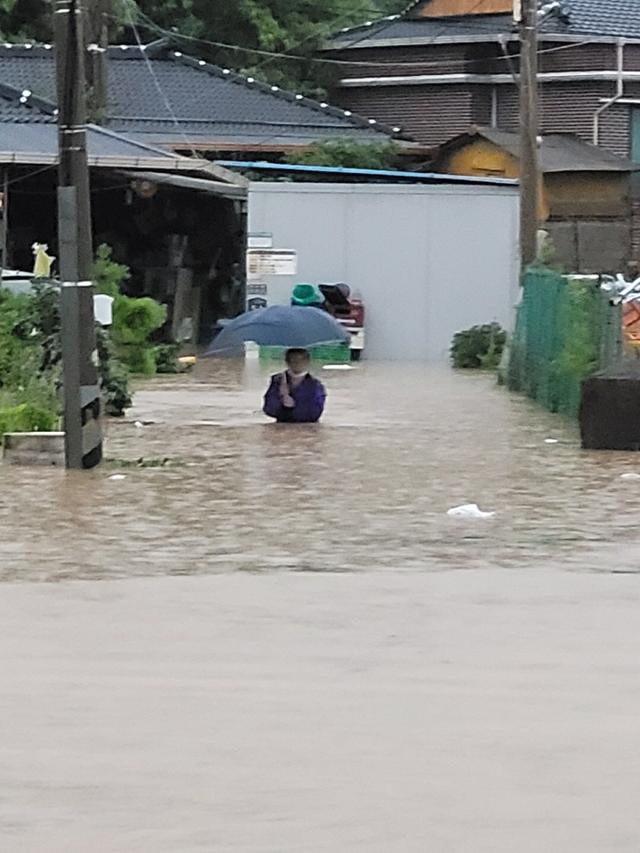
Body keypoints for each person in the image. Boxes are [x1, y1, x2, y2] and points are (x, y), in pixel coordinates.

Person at [263, 348, 326, 423]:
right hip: (281, 427)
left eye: (301, 360)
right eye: (293, 360)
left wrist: (293, 406)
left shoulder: (315, 385)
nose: (297, 363)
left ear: (307, 362)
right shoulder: (277, 381)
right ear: (287, 362)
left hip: (307, 429)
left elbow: (314, 413)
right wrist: (282, 400)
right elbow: (269, 409)